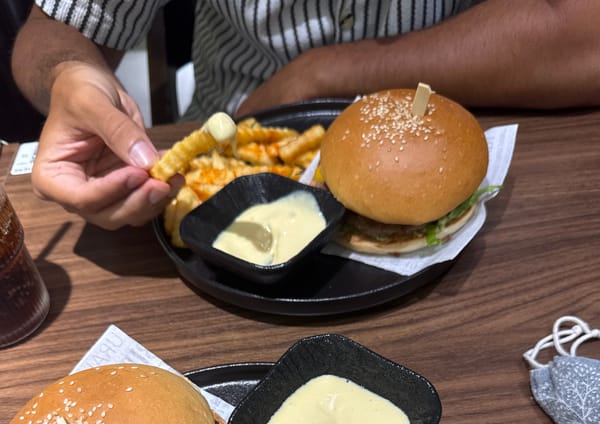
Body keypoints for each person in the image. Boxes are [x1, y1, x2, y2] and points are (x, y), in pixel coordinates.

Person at [11, 0, 600, 231]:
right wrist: (69, 73)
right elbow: (54, 32)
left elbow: (582, 32)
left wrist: (324, 73)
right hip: (225, 161)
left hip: (470, 129)